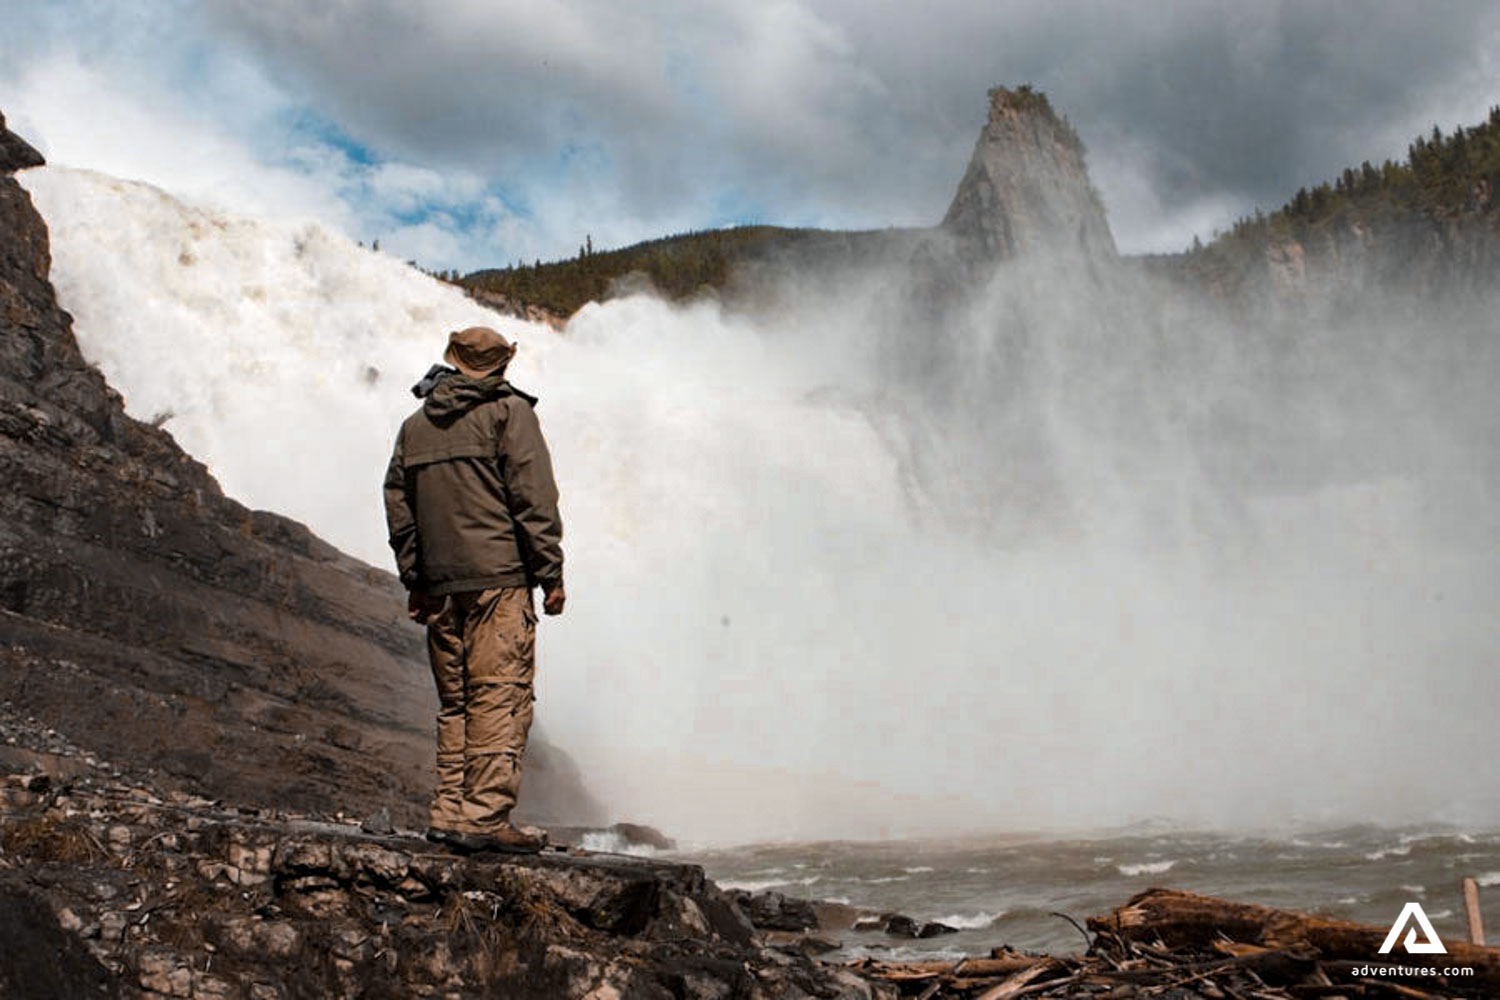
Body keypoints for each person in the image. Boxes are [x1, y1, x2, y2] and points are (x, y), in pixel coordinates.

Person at [383, 325, 565, 853]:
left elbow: (399, 507)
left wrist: (415, 579)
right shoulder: (510, 414)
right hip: (499, 581)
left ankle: (449, 810)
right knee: (500, 696)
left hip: (439, 585)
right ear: (503, 365)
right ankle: (484, 819)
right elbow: (536, 500)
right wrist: (550, 574)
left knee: (457, 700)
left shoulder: (414, 426)